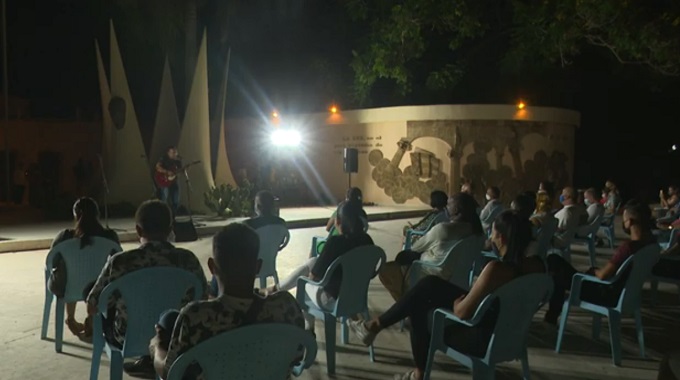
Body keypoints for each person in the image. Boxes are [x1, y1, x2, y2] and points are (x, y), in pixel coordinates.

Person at [349, 210, 545, 380]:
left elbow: (462, 313)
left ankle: (413, 368)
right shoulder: (537, 267)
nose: (491, 238)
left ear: (501, 238)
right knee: (429, 285)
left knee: (419, 307)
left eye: (492, 234)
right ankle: (374, 327)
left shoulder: (495, 270)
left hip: (481, 338)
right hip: (513, 333)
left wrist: (462, 301)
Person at [149, 223, 305, 379]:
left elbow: (170, 372)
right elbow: (297, 357)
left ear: (212, 267)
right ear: (258, 267)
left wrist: (157, 346)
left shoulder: (196, 316)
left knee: (168, 318)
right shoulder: (286, 306)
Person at [83, 200, 208, 379]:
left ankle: (147, 359)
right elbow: (202, 299)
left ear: (139, 230)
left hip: (127, 337)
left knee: (107, 308)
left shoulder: (120, 262)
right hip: (175, 336)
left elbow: (92, 305)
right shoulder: (188, 260)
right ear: (170, 228)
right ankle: (151, 359)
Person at [544, 201, 656, 324]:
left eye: (624, 219)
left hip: (606, 293)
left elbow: (603, 275)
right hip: (626, 293)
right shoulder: (651, 244)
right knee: (557, 268)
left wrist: (593, 271)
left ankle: (551, 315)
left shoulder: (629, 248)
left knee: (554, 263)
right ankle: (551, 315)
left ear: (630, 222)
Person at [271, 202, 373, 332]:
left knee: (303, 281)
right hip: (357, 296)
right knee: (313, 261)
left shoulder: (335, 242)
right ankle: (276, 288)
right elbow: (372, 272)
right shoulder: (367, 241)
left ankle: (309, 329)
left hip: (332, 300)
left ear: (338, 221)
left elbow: (314, 277)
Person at [379, 193, 484, 302]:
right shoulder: (477, 232)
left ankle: (407, 304)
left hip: (431, 276)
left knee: (387, 270)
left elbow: (416, 247)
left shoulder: (443, 229)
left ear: (456, 209)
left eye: (448, 204)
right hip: (460, 280)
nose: (445, 207)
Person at [47, 197, 119, 337]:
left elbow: (53, 262)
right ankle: (92, 318)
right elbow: (119, 260)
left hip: (68, 287)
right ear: (97, 215)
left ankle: (70, 318)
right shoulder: (109, 236)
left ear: (75, 215)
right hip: (99, 288)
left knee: (66, 269)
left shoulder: (65, 237)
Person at [208, 190, 288, 297]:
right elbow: (282, 242)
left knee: (222, 261)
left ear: (258, 207)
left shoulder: (248, 225)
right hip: (269, 263)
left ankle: (214, 292)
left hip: (248, 266)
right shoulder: (281, 223)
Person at [155, 146, 182, 215]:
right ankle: (162, 215)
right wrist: (167, 172)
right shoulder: (163, 159)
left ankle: (173, 216)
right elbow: (158, 167)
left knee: (176, 200)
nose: (174, 154)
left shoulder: (178, 161)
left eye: (175, 152)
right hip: (164, 181)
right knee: (164, 199)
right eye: (172, 152)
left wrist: (185, 170)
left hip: (173, 181)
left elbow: (180, 170)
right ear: (168, 153)